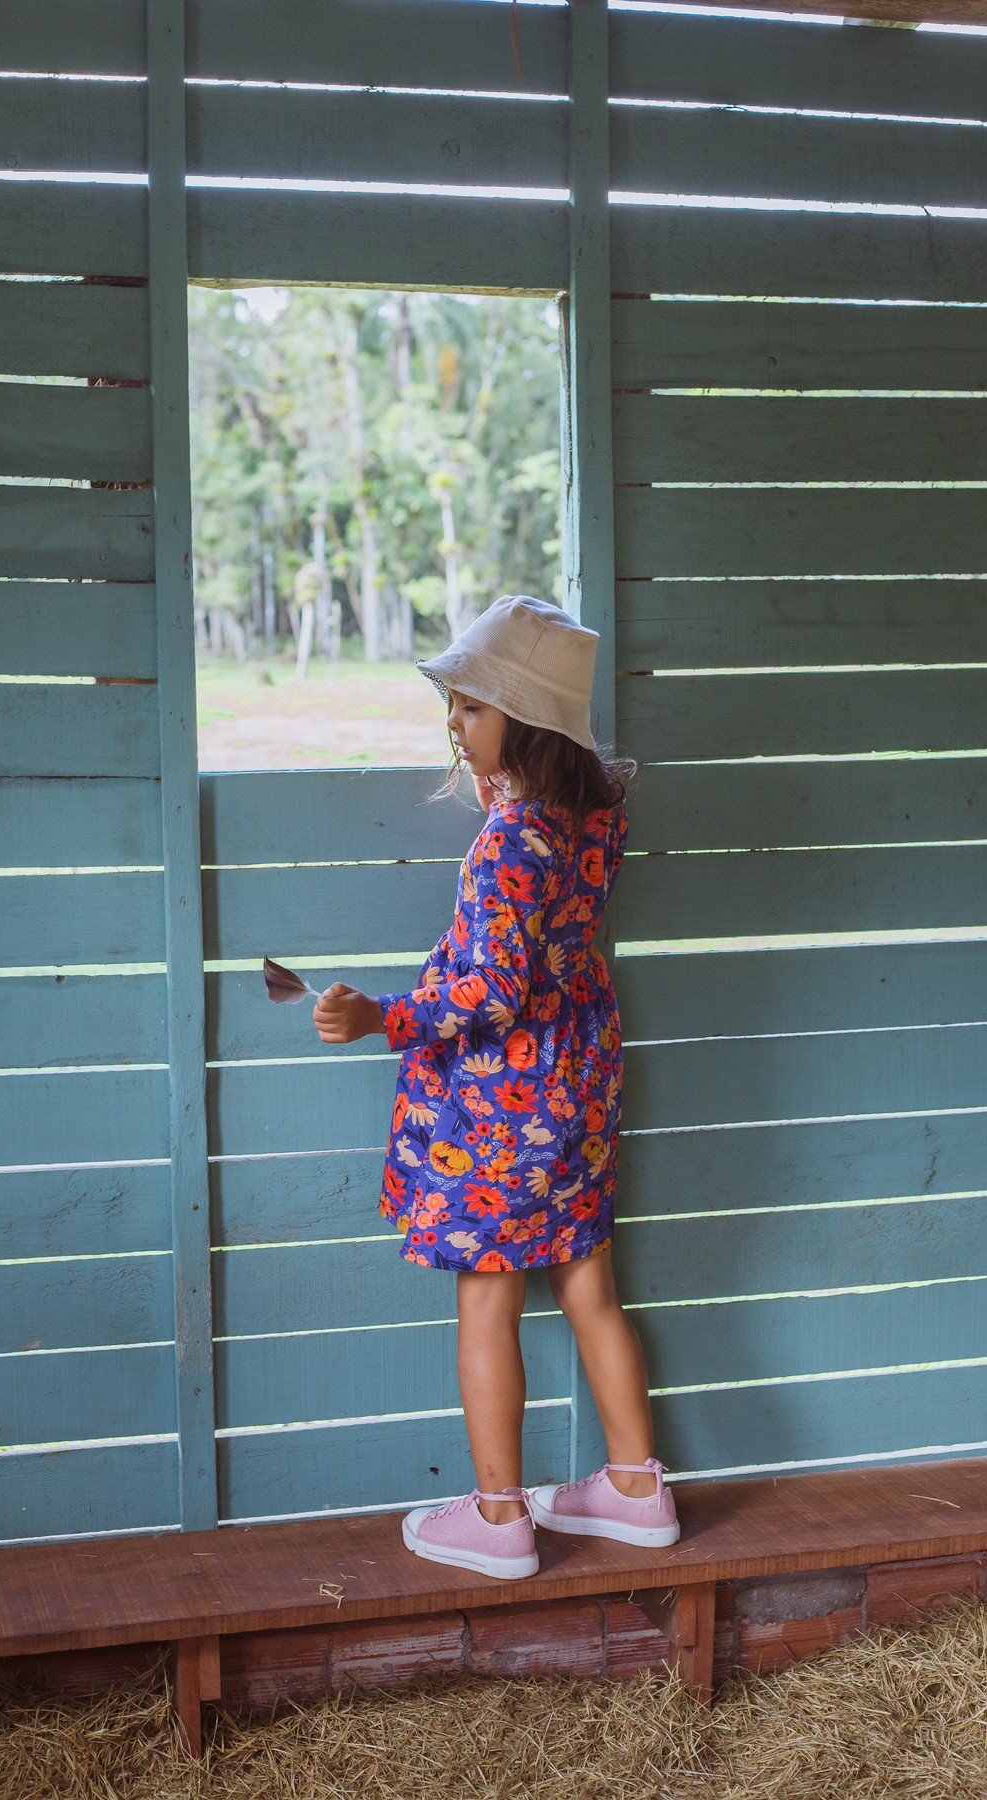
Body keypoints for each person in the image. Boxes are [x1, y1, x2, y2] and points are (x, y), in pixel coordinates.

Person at [312, 595, 678, 1579]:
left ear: (529, 724)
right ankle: (635, 1490)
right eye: (455, 704)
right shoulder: (589, 821)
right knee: (589, 1283)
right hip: (579, 1087)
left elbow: (492, 990)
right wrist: (503, 793)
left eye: (473, 707)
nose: (453, 722)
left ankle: (499, 1517)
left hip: (503, 1109)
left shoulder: (511, 843)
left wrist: (384, 1016)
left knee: (486, 1302)